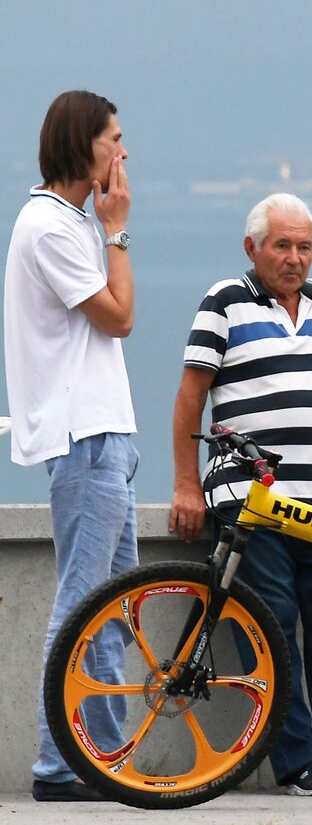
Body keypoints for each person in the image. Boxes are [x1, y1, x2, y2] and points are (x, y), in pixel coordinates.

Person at [167, 193, 312, 797]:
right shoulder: (224, 302)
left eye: (304, 247)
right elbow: (190, 398)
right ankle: (297, 761)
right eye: (282, 246)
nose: (294, 258)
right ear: (252, 249)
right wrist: (187, 484)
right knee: (271, 623)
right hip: (250, 495)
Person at [4, 90, 136, 802]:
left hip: (106, 437)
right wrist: (117, 230)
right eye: (114, 138)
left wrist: (107, 227)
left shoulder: (71, 222)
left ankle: (101, 755)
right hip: (85, 439)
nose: (124, 151)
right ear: (84, 145)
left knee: (115, 607)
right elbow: (119, 318)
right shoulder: (51, 225)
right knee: (85, 603)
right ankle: (63, 763)